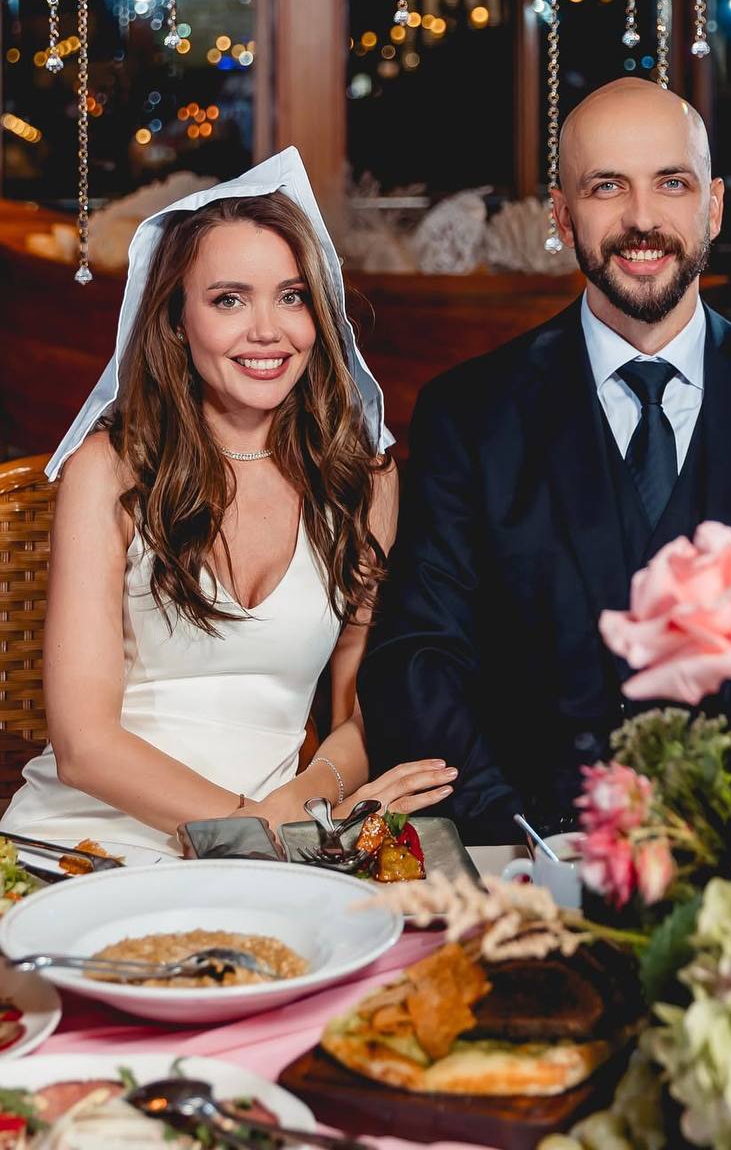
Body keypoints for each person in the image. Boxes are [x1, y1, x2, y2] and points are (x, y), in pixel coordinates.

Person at [358, 79, 731, 844]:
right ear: (562, 215)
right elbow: (418, 657)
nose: (642, 219)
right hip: (535, 858)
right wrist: (522, 841)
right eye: (607, 187)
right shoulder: (471, 415)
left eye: (671, 183)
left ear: (713, 206)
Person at [1, 148, 456, 854]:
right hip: (92, 836)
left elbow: (362, 708)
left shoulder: (365, 482)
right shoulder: (110, 471)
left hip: (279, 838)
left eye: (292, 296)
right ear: (176, 320)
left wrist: (311, 805)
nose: (267, 330)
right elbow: (83, 747)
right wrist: (257, 830)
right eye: (229, 300)